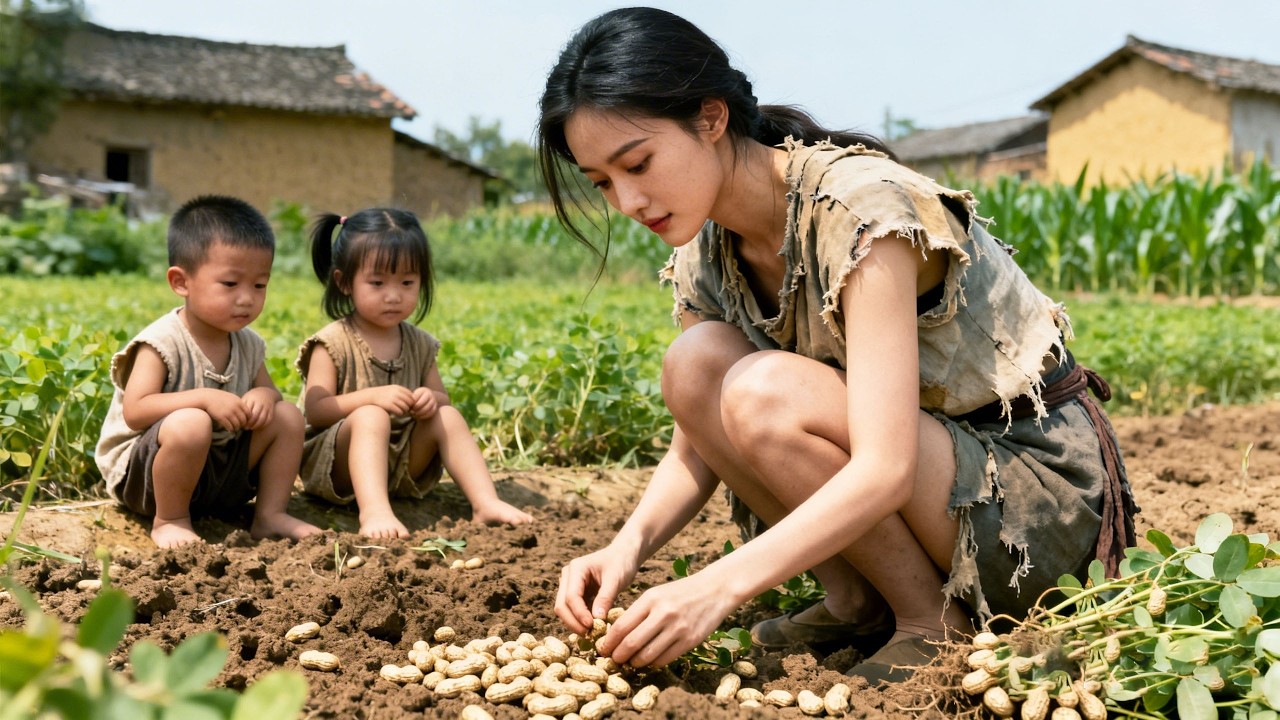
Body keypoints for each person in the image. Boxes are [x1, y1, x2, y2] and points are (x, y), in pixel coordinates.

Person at [538, 7, 1138, 684]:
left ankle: (929, 623)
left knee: (764, 392)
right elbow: (695, 446)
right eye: (602, 182)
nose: (627, 201)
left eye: (637, 163)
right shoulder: (707, 250)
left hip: (1031, 505)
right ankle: (857, 601)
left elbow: (885, 467)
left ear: (710, 119)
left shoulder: (861, 215)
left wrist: (716, 586)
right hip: (932, 483)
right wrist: (625, 549)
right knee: (696, 364)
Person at [95, 195, 324, 548]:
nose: (247, 298)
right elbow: (136, 411)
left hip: (214, 479)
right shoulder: (161, 342)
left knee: (288, 416)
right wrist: (203, 398)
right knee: (191, 422)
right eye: (230, 284)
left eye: (259, 285)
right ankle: (170, 520)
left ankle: (270, 514)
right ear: (181, 282)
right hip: (147, 482)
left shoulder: (247, 343)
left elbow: (271, 392)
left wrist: (262, 396)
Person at [297, 208, 533, 538]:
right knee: (370, 416)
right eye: (377, 283)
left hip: (402, 464)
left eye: (407, 282)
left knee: (446, 415)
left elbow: (442, 398)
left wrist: (428, 398)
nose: (394, 295)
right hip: (338, 468)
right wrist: (372, 398)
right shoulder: (332, 343)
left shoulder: (419, 344)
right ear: (344, 282)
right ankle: (374, 512)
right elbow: (317, 411)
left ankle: (485, 502)